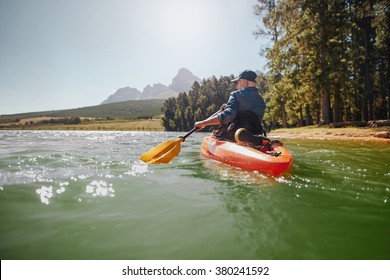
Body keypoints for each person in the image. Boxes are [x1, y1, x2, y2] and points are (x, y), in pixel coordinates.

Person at [195, 70, 268, 146]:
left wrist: (203, 123)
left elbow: (228, 115)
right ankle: (256, 139)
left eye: (237, 83)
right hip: (256, 131)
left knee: (219, 133)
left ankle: (241, 136)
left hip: (235, 133)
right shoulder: (261, 101)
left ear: (245, 83)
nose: (236, 86)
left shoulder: (236, 95)